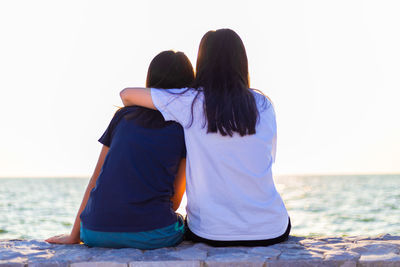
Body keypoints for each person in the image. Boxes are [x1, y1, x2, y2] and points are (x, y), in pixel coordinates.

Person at [119, 29, 290, 247]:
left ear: (202, 63)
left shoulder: (189, 101)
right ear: (242, 62)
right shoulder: (264, 104)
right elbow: (268, 158)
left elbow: (126, 94)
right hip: (271, 230)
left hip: (210, 233)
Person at [46, 50, 194, 249]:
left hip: (93, 232)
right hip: (153, 234)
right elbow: (175, 202)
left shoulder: (123, 117)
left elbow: (95, 178)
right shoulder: (184, 127)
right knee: (185, 224)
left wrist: (75, 235)